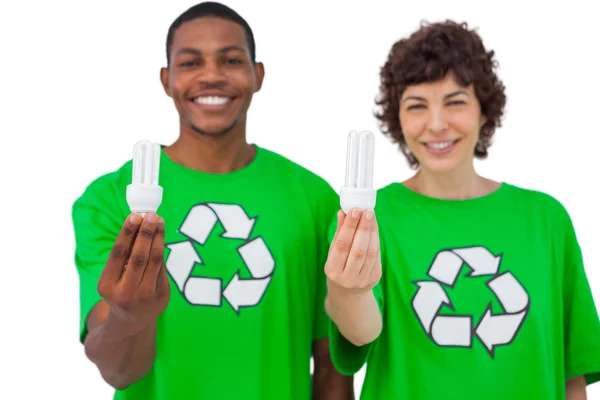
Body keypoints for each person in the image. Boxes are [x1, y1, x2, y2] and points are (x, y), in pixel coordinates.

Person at [71, 2, 354, 399]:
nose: (211, 76)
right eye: (190, 63)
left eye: (231, 60)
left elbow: (333, 369)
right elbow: (120, 372)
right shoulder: (110, 200)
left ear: (258, 75)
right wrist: (126, 316)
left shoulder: (315, 199)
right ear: (166, 79)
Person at [324, 20, 600, 400]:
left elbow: (572, 375)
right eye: (416, 105)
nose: (436, 124)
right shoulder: (371, 219)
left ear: (484, 110)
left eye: (455, 102)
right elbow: (359, 333)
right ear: (397, 118)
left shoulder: (546, 220)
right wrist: (347, 291)